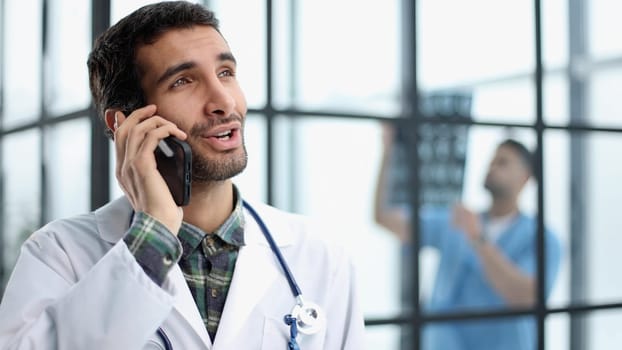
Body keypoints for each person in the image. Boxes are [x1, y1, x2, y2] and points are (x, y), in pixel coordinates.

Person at [0, 2, 365, 349]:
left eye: (226, 73)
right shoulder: (60, 253)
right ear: (125, 123)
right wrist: (154, 233)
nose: (224, 101)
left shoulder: (320, 255)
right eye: (183, 81)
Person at [374, 124, 561, 350]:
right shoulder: (456, 222)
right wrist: (388, 151)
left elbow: (527, 297)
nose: (491, 167)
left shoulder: (543, 240)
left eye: (502, 162)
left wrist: (478, 239)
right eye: (491, 161)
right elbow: (384, 217)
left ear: (525, 177)